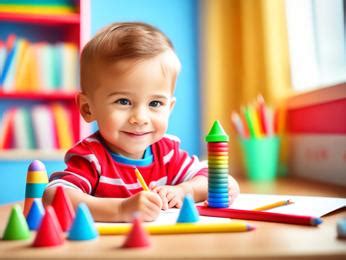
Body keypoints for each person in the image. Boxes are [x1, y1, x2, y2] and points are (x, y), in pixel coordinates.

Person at [43, 22, 239, 222]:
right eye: (123, 101)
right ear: (87, 108)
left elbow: (215, 179)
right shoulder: (92, 157)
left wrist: (183, 190)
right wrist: (120, 209)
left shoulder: (167, 152)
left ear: (169, 109)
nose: (140, 118)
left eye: (155, 103)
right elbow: (54, 196)